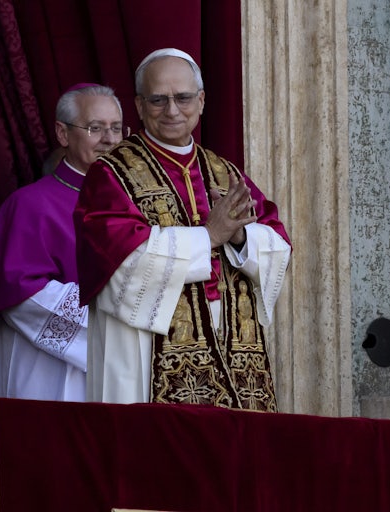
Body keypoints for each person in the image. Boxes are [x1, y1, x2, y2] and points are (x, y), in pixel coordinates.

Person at [74, 49, 291, 412]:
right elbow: (120, 261)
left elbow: (279, 245)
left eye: (183, 98)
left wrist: (239, 237)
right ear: (140, 106)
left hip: (230, 347)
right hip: (146, 348)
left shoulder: (226, 172)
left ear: (201, 101)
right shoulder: (111, 173)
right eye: (158, 99)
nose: (172, 110)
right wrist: (209, 236)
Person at [0, 83, 124, 401]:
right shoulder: (29, 205)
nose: (109, 140)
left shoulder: (136, 204)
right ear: (63, 134)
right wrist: (117, 321)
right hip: (52, 378)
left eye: (117, 129)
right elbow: (21, 295)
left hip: (125, 378)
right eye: (96, 128)